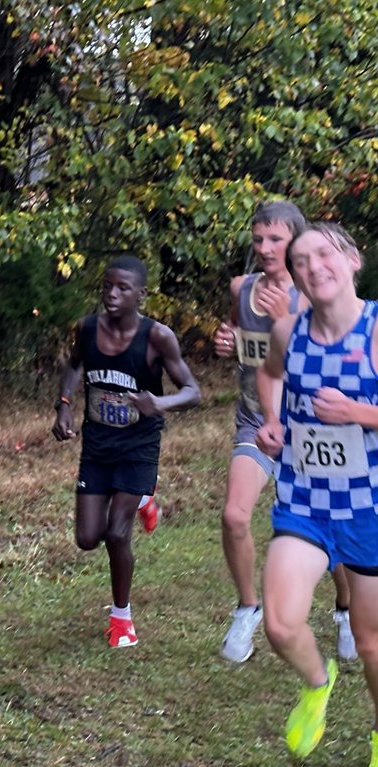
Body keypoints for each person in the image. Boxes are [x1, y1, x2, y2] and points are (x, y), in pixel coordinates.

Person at [254, 222, 378, 767]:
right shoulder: (288, 330)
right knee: (280, 624)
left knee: (373, 643)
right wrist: (274, 422)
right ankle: (317, 681)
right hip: (304, 498)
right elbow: (270, 374)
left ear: (352, 261)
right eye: (301, 260)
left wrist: (358, 413)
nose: (312, 267)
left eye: (324, 254)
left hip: (370, 508)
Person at [213, 202, 355, 664]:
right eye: (258, 240)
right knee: (235, 517)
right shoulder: (241, 288)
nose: (265, 248)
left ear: (295, 242)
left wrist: (284, 321)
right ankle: (247, 609)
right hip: (257, 423)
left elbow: (326, 357)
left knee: (328, 534)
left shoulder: (316, 295)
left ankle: (347, 610)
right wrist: (224, 340)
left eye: (275, 240)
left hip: (311, 431)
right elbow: (237, 337)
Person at [52, 255, 202, 648]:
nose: (112, 294)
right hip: (98, 445)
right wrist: (65, 404)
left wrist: (160, 403)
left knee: (117, 533)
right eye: (107, 286)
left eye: (122, 288)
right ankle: (144, 500)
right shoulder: (86, 328)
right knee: (88, 538)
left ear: (141, 294)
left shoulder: (157, 337)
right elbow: (73, 366)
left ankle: (122, 620)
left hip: (139, 446)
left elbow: (193, 391)